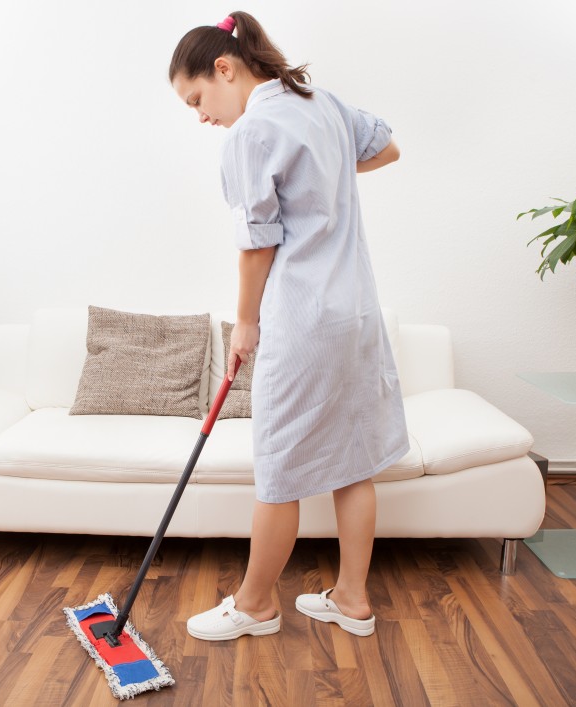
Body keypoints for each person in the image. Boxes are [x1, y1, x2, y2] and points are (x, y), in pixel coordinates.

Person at [169, 11, 409, 641]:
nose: (200, 114)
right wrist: (322, 177)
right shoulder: (321, 103)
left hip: (303, 321)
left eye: (197, 98)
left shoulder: (251, 133)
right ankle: (352, 598)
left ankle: (254, 606)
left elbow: (256, 245)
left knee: (279, 467)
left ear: (225, 68)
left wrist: (244, 322)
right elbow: (387, 146)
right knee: (353, 461)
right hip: (357, 312)